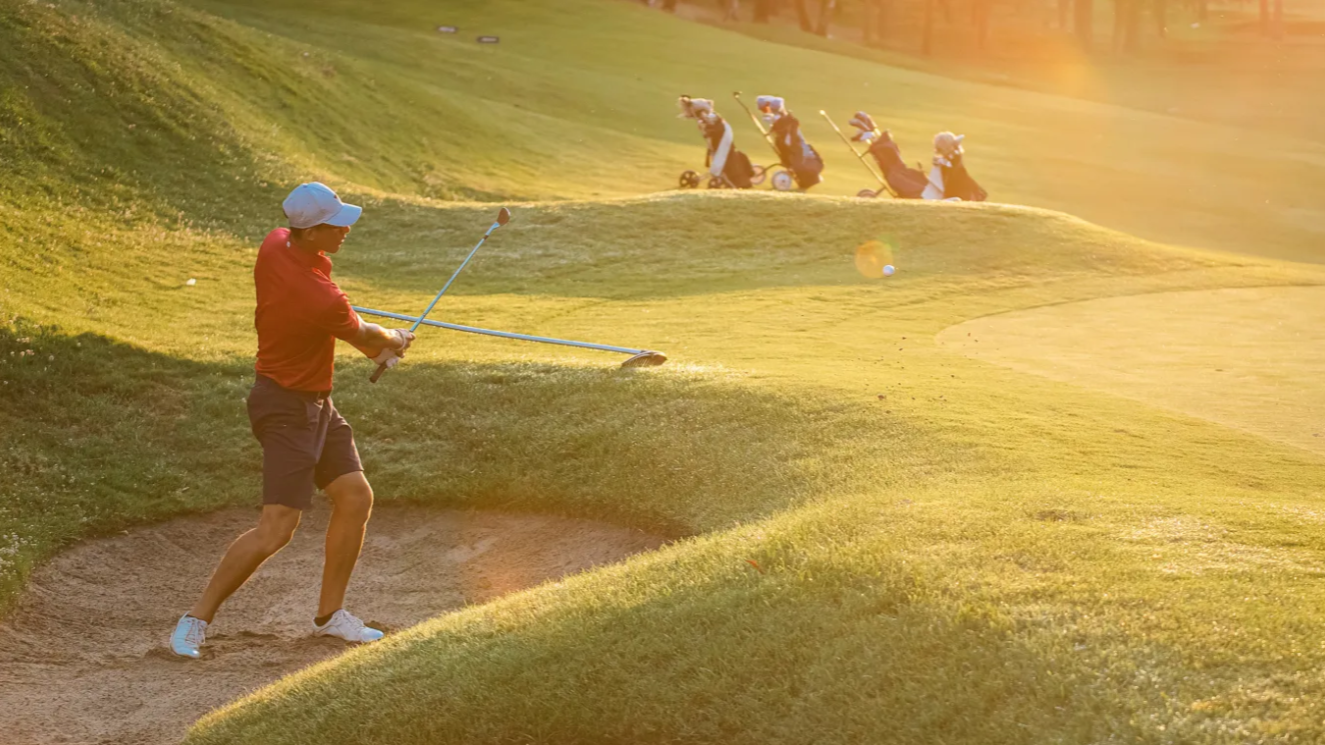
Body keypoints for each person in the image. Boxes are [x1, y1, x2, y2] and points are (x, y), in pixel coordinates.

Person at [169, 182, 416, 659]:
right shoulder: (320, 297)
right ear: (311, 230)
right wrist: (397, 339)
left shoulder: (274, 243)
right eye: (336, 223)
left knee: (354, 496)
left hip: (315, 405)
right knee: (277, 527)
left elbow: (353, 326)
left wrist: (381, 341)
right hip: (284, 408)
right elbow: (367, 338)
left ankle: (329, 617)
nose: (345, 229)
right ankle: (194, 620)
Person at [677, 95, 756, 188]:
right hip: (719, 142)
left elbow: (712, 128)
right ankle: (736, 181)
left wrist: (706, 130)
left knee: (726, 162)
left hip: (721, 142)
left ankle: (736, 182)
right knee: (727, 160)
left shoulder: (711, 117)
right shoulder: (710, 118)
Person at [848, 111, 929, 199]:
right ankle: (868, 131)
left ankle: (868, 131)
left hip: (898, 175)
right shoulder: (887, 145)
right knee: (884, 151)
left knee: (885, 152)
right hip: (898, 174)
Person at [756, 95, 823, 189]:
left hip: (802, 156)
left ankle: (804, 179)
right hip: (798, 154)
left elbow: (792, 144)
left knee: (797, 161)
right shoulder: (787, 122)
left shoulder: (788, 123)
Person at [932, 132, 988, 202]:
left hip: (960, 188)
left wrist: (942, 162)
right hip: (952, 187)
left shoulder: (955, 156)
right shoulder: (947, 158)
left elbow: (952, 166)